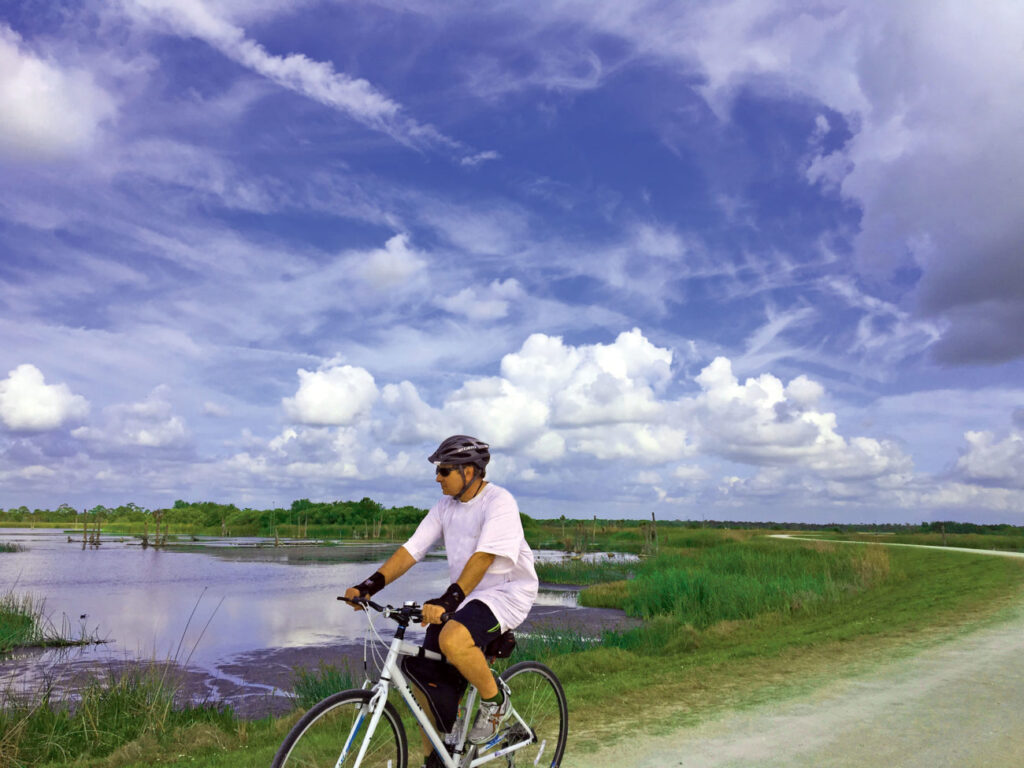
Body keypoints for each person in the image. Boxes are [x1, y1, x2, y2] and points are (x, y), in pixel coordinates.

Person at [344, 435, 539, 763]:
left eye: (444, 471)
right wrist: (369, 585)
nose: (437, 478)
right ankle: (440, 754)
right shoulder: (445, 507)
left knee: (452, 637)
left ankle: (495, 702)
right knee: (424, 675)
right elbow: (412, 549)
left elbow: (484, 557)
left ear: (470, 471)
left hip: (506, 593)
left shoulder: (499, 502)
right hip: (466, 595)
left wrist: (449, 601)